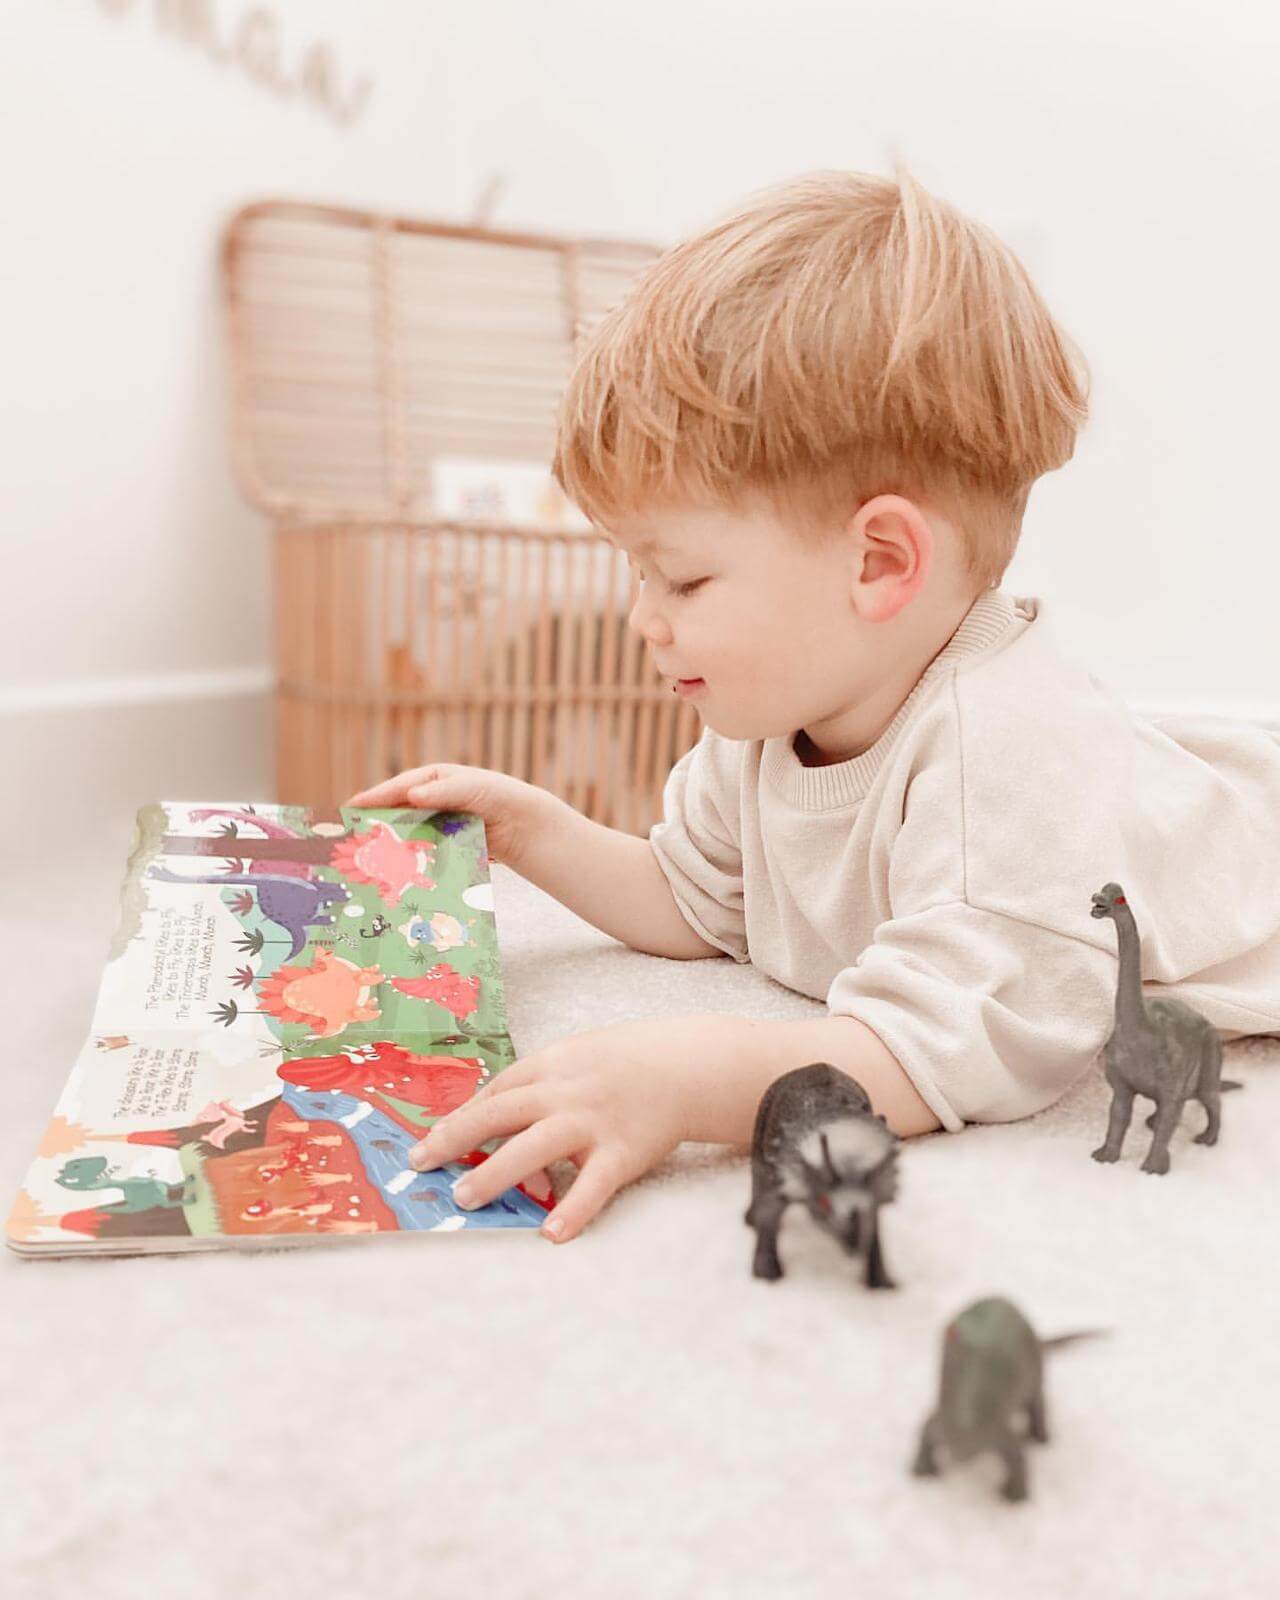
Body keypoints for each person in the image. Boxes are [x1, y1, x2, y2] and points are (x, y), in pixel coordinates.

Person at [347, 165, 1280, 1243]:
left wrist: (684, 1077)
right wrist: (536, 832)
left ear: (878, 561)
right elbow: (697, 903)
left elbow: (919, 1059)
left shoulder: (1004, 770)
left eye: (683, 581)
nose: (641, 620)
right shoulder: (769, 714)